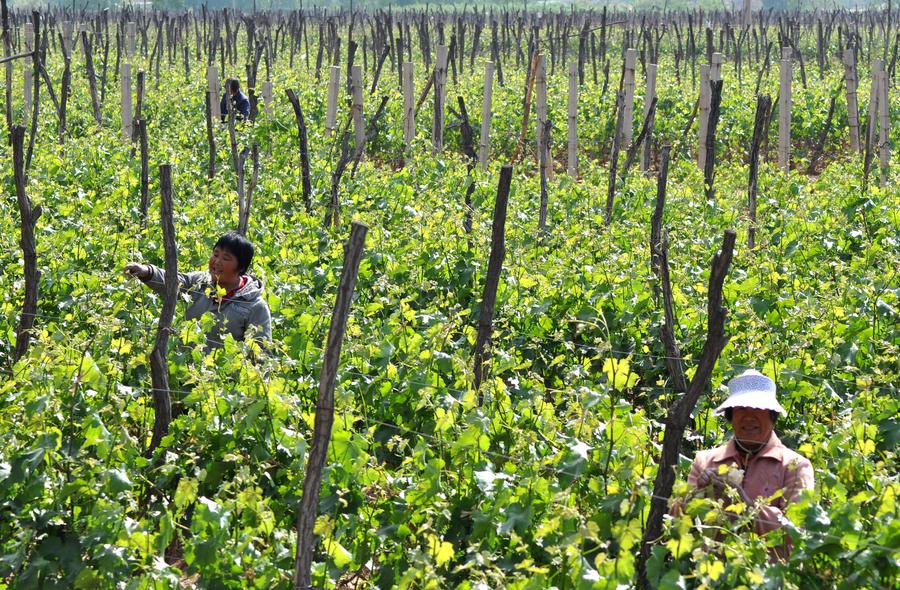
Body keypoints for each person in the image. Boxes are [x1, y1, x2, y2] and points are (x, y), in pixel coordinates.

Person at [682, 369, 814, 543]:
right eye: (742, 408)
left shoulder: (796, 467)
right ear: (731, 415)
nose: (749, 417)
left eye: (758, 408)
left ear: (772, 416)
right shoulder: (705, 461)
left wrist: (745, 504)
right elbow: (681, 524)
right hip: (712, 566)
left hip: (770, 569)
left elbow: (796, 533)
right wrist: (698, 494)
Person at [124, 231, 271, 352]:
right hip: (182, 374)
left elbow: (261, 355)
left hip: (223, 384)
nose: (217, 261)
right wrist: (147, 272)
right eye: (215, 254)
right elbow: (173, 281)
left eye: (226, 258)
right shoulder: (199, 282)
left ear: (241, 268)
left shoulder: (255, 306)